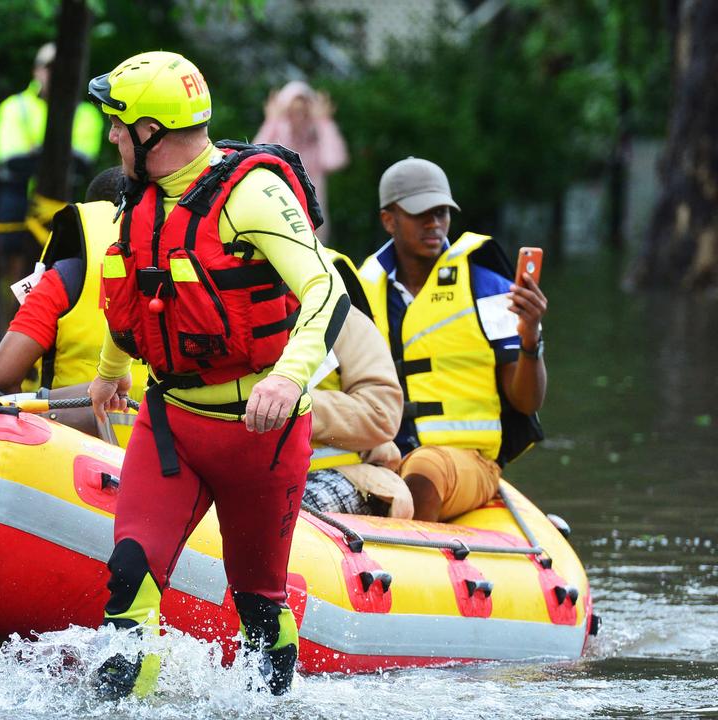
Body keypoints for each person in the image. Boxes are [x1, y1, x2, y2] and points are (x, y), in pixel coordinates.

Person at [85, 51, 349, 697]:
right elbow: (133, 295)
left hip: (263, 436)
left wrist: (288, 378)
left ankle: (271, 707)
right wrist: (109, 370)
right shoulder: (139, 197)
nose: (112, 134)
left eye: (119, 123)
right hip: (171, 422)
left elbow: (326, 289)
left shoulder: (253, 192)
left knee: (258, 600)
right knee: (128, 575)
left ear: (152, 130)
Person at [358, 157, 546, 522]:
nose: (434, 223)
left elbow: (526, 402)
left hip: (468, 461)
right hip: (383, 454)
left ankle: (409, 566)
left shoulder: (490, 288)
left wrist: (530, 337)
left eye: (442, 212)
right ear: (388, 220)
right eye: (420, 212)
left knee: (425, 470)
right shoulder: (362, 289)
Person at [0, 167, 148, 443]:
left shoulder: (66, 277)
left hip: (80, 451)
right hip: (169, 448)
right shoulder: (187, 269)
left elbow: (0, 378)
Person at [300, 250, 413, 518]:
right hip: (243, 477)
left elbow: (381, 413)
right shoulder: (209, 300)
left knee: (275, 516)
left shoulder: (338, 311)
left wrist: (293, 404)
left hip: (347, 474)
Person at [0, 42, 106, 281]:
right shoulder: (14, 107)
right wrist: (56, 156)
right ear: (36, 70)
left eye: (61, 68)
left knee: (63, 270)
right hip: (18, 204)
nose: (54, 74)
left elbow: (83, 165)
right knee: (12, 267)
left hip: (64, 205)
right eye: (48, 67)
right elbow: (10, 162)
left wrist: (36, 152)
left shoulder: (87, 114)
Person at [253, 80, 348, 241]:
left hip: (314, 223)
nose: (298, 117)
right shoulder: (278, 138)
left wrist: (324, 122)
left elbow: (335, 161)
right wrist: (272, 122)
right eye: (293, 111)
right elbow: (254, 158)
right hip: (278, 218)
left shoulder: (317, 140)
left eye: (303, 112)